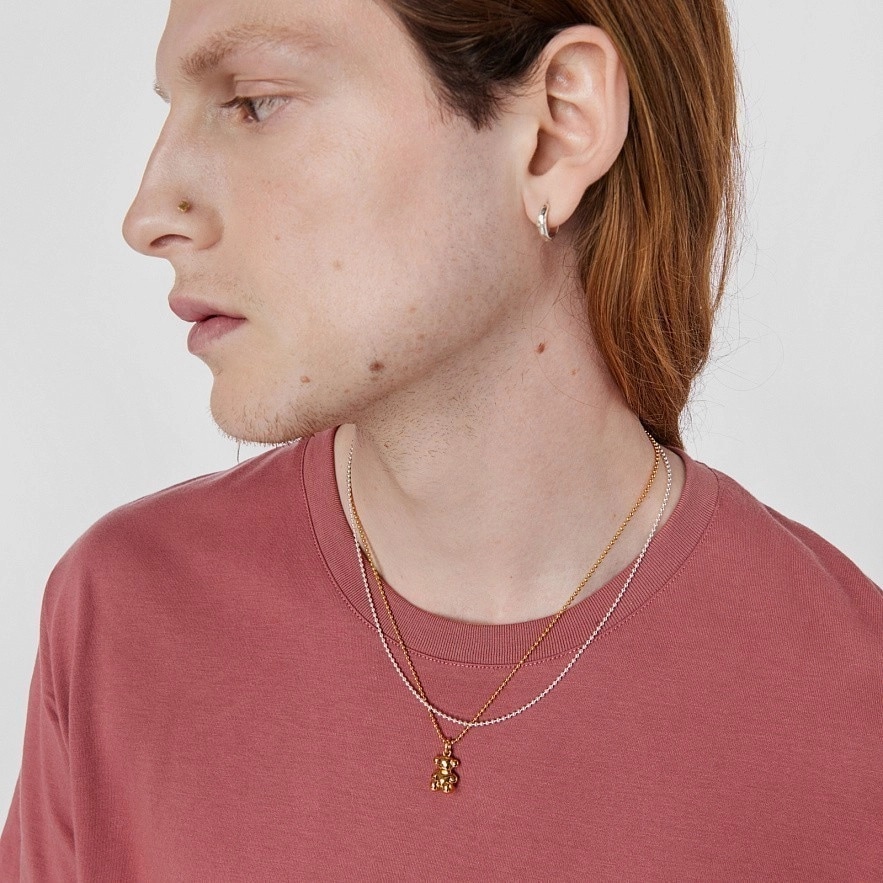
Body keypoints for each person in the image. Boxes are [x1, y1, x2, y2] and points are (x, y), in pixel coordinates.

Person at [1, 0, 880, 878]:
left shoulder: (852, 709)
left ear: (557, 127)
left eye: (256, 102)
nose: (148, 215)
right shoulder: (124, 618)